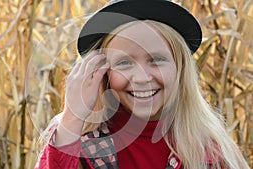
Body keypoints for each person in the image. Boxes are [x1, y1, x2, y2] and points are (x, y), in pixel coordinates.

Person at [35, 0, 250, 168]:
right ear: (103, 72)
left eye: (156, 60)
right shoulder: (75, 139)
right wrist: (73, 118)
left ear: (180, 68)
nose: (141, 78)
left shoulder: (210, 151)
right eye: (124, 62)